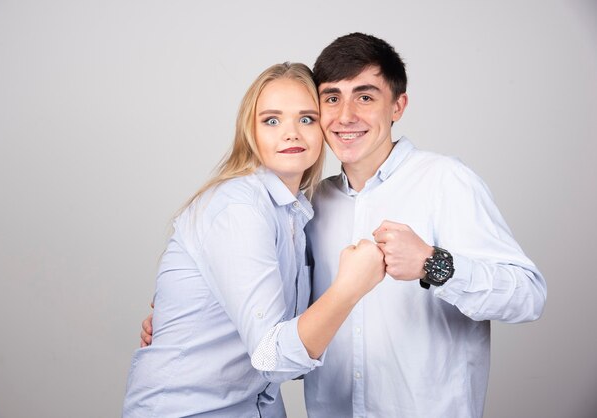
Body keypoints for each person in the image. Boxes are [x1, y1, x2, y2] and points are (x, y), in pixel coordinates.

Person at [141, 34, 547, 418]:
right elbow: (289, 331)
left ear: (398, 106)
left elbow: (528, 296)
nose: (347, 116)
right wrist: (199, 320)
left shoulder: (445, 181)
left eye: (365, 97)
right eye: (332, 98)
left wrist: (433, 264)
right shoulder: (310, 206)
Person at [123, 62, 386, 418]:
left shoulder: (297, 212)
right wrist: (349, 287)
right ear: (250, 131)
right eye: (272, 120)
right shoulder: (239, 207)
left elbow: (287, 343)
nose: (291, 133)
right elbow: (272, 357)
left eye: (306, 119)